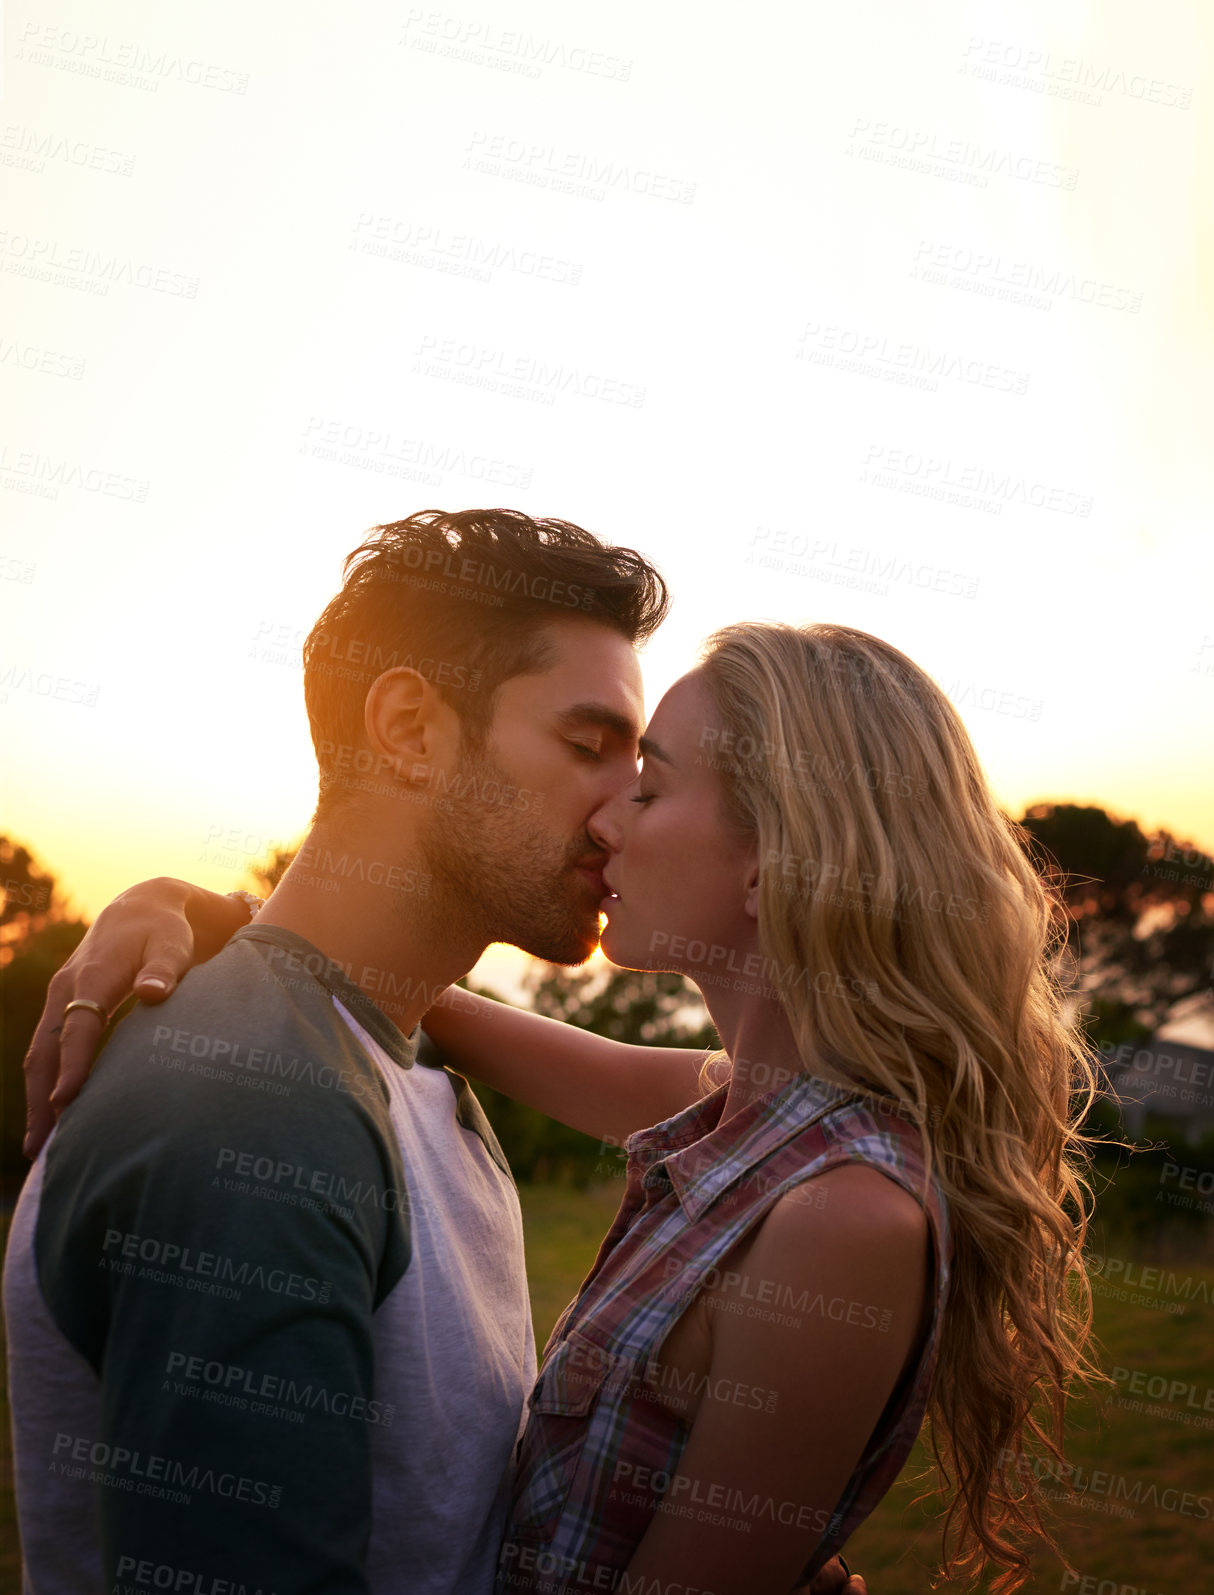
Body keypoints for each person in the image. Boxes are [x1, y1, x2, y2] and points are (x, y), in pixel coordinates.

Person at [19, 585, 1102, 1590]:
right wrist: (223, 919)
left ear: (778, 857)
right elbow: (410, 1000)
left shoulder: (842, 1213)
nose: (608, 820)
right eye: (595, 757)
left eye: (650, 786)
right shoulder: (748, 1117)